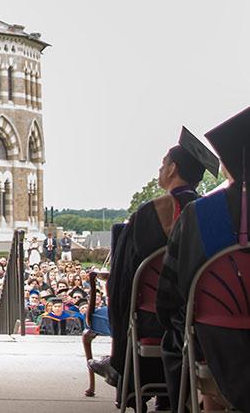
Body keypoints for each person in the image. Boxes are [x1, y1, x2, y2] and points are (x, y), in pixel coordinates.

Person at [93, 127, 219, 408]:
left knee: (126, 299)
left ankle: (122, 370)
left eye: (163, 164)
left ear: (173, 168)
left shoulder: (149, 213)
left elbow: (124, 280)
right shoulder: (208, 214)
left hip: (150, 320)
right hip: (198, 318)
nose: (161, 168)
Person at [157, 107, 250, 413]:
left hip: (214, 347)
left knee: (186, 326)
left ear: (227, 165)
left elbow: (170, 297)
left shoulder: (199, 216)